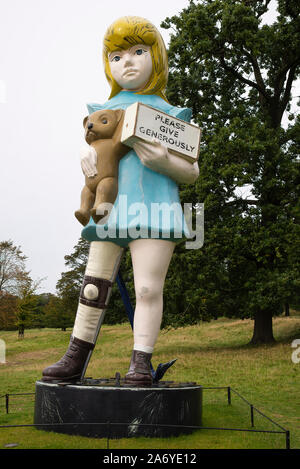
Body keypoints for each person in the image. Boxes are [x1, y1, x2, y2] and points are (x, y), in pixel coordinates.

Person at [42, 16, 199, 386]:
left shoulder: (171, 115)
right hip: (108, 208)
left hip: (155, 210)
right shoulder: (103, 109)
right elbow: (97, 152)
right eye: (116, 56)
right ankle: (75, 357)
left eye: (138, 52)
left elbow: (192, 172)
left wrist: (164, 161)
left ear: (155, 57)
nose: (126, 62)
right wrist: (87, 162)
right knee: (93, 286)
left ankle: (140, 362)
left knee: (147, 288)